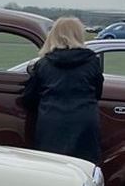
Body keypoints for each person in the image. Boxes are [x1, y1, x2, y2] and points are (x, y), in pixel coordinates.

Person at [20, 17, 103, 165]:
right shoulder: (92, 62)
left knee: (53, 167)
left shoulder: (43, 64)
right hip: (84, 120)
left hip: (52, 122)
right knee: (84, 166)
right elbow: (98, 93)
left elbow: (29, 99)